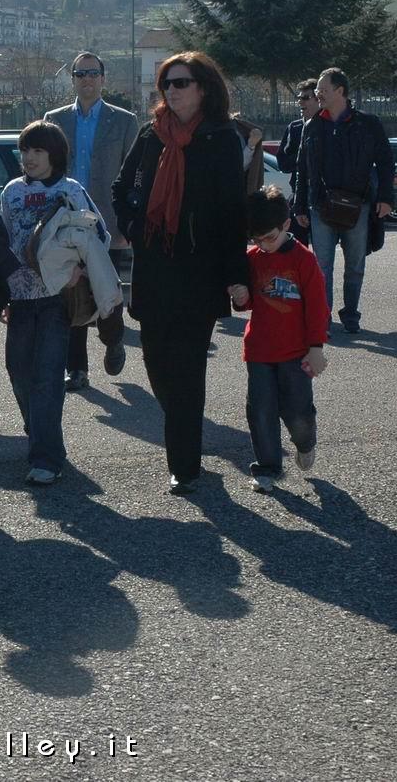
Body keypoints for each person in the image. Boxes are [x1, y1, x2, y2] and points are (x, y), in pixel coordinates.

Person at [112, 51, 249, 495]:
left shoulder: (223, 139)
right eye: (166, 83)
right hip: (154, 267)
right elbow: (121, 186)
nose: (172, 90)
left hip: (198, 269)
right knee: (156, 364)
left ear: (204, 88)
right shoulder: (153, 135)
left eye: (181, 82)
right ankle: (184, 434)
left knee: (188, 369)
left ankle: (184, 465)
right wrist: (134, 227)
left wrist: (237, 274)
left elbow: (232, 214)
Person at [0, 120, 115, 485]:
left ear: (55, 154)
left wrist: (79, 270)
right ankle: (39, 433)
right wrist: (1, 291)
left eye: (38, 150)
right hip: (18, 298)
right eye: (25, 150)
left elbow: (99, 235)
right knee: (18, 372)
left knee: (48, 378)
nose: (29, 157)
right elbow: (2, 240)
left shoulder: (71, 190)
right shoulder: (11, 192)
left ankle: (47, 457)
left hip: (56, 300)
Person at [43, 53, 137, 392]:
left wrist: (127, 224)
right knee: (72, 295)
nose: (87, 79)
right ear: (72, 78)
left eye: (92, 73)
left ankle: (113, 340)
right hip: (67, 225)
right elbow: (45, 171)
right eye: (80, 73)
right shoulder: (53, 120)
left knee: (107, 295)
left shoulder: (124, 121)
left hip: (107, 225)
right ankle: (77, 369)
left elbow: (133, 178)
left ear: (103, 79)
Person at [228, 186, 328, 494]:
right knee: (259, 410)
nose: (263, 245)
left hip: (296, 353)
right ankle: (268, 467)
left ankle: (305, 441)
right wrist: (240, 297)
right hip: (259, 350)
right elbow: (246, 301)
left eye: (269, 237)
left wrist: (316, 348)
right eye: (256, 239)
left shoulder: (304, 261)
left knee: (298, 411)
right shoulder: (253, 258)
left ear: (285, 225)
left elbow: (317, 307)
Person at [293, 67, 394, 334]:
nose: (318, 95)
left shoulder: (368, 124)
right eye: (317, 91)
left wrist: (385, 198)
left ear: (340, 91)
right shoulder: (312, 125)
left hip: (358, 206)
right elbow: (302, 168)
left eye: (323, 90)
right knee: (321, 268)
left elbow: (385, 162)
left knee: (355, 266)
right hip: (320, 206)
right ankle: (322, 318)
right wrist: (299, 205)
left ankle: (351, 315)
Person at [276, 79, 319, 215]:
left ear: (319, 99)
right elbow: (283, 164)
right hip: (300, 196)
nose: (300, 102)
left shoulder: (331, 126)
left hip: (324, 197)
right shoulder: (295, 127)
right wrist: (304, 156)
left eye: (305, 98)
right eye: (299, 97)